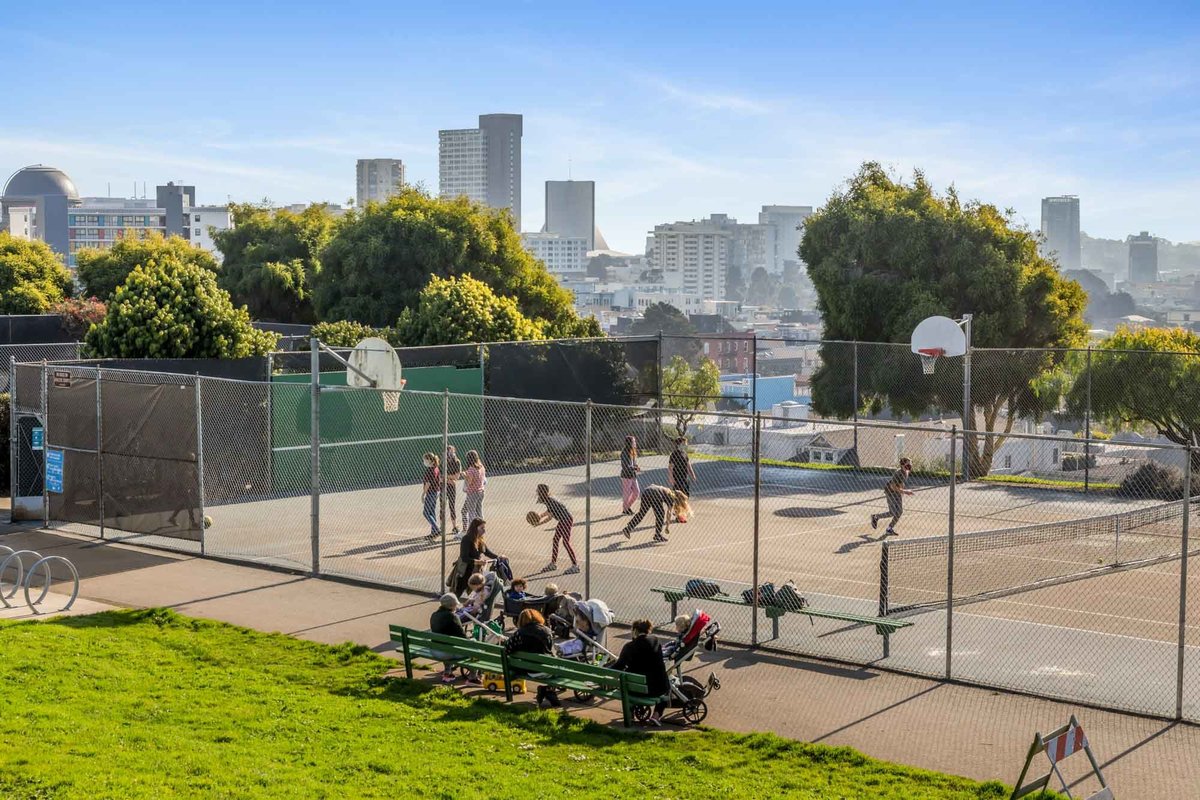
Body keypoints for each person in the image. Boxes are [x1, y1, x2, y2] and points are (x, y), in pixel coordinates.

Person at [612, 619, 671, 726]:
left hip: (634, 690)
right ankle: (656, 715)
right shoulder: (655, 641)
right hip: (656, 689)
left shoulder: (629, 647)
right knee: (666, 685)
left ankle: (630, 713)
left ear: (635, 631)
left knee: (628, 681)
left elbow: (619, 666)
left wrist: (606, 669)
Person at [505, 609, 559, 708]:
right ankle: (548, 690)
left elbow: (507, 649)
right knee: (558, 666)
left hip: (530, 671)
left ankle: (545, 691)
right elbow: (552, 651)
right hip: (548, 671)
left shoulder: (520, 633)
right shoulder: (547, 631)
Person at [429, 592, 478, 685]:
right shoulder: (453, 616)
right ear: (452, 605)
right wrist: (472, 641)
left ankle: (447, 672)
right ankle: (473, 677)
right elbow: (462, 637)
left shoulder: (434, 615)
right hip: (446, 653)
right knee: (475, 647)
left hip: (435, 650)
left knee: (446, 643)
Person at [534, 483, 580, 575]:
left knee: (565, 542)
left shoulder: (550, 501)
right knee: (555, 540)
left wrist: (539, 523)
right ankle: (553, 564)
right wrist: (539, 516)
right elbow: (549, 512)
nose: (537, 492)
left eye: (538, 491)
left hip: (566, 520)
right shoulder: (548, 500)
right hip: (562, 520)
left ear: (542, 492)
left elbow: (550, 516)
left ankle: (575, 566)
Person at [450, 518, 502, 596]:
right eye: (482, 528)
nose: (484, 530)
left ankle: (475, 606)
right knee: (458, 591)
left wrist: (499, 557)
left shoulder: (480, 539)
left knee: (479, 591)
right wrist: (478, 562)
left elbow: (486, 552)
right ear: (475, 528)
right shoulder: (466, 539)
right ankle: (449, 606)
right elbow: (464, 557)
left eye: (484, 528)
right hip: (465, 570)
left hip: (476, 570)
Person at [622, 485, 690, 543]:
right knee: (660, 514)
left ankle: (628, 528)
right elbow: (668, 513)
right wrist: (667, 527)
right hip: (655, 494)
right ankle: (657, 535)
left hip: (647, 491)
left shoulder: (669, 491)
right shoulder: (672, 497)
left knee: (642, 513)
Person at [871, 457, 914, 537]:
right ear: (902, 465)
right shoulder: (898, 473)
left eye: (910, 464)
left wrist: (902, 491)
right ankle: (875, 517)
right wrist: (905, 491)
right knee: (892, 512)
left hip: (897, 492)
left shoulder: (906, 472)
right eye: (908, 464)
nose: (910, 466)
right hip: (890, 492)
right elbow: (893, 487)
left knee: (900, 512)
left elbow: (901, 483)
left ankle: (889, 528)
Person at [667, 436, 697, 521]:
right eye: (684, 443)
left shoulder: (684, 453)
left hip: (685, 478)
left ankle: (682, 512)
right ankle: (678, 515)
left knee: (686, 496)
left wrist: (692, 474)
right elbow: (670, 467)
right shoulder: (674, 454)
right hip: (677, 478)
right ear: (679, 444)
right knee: (677, 497)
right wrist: (671, 478)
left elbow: (688, 465)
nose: (685, 445)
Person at [461, 450, 487, 529]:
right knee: (479, 511)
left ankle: (471, 530)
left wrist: (464, 475)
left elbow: (469, 482)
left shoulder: (471, 469)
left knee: (471, 512)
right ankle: (481, 528)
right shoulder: (481, 467)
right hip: (481, 491)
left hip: (472, 493)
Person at [421, 453, 441, 541]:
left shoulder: (430, 470)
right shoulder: (436, 468)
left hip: (431, 493)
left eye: (425, 460)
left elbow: (428, 483)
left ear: (429, 460)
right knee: (432, 512)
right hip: (436, 492)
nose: (424, 462)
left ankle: (437, 529)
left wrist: (423, 494)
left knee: (425, 512)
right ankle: (434, 533)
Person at [619, 435, 641, 514]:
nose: (635, 443)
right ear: (630, 442)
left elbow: (633, 463)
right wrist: (634, 468)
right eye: (634, 441)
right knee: (627, 493)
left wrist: (636, 466)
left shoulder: (632, 451)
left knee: (636, 492)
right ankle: (625, 509)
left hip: (633, 475)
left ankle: (627, 507)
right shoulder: (624, 452)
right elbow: (626, 465)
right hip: (626, 476)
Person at [445, 444, 462, 537]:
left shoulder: (457, 462)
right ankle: (440, 528)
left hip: (451, 487)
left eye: (451, 451)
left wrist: (446, 477)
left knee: (452, 505)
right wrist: (449, 480)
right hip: (443, 486)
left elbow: (457, 476)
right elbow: (440, 476)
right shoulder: (444, 461)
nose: (450, 453)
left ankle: (454, 526)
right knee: (442, 506)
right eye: (448, 451)